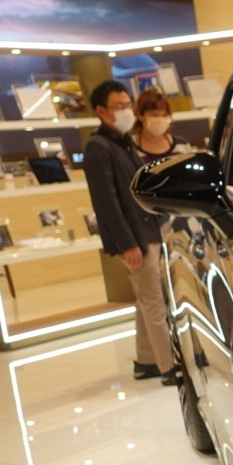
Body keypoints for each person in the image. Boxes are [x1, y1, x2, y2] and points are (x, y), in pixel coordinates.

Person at [83, 79, 177, 384]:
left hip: (146, 230)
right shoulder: (98, 148)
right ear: (101, 111)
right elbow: (106, 203)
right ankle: (169, 367)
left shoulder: (122, 143)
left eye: (128, 105)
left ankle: (147, 361)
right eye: (120, 106)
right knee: (155, 302)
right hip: (135, 238)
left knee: (146, 299)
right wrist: (128, 244)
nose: (126, 111)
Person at [127, 88, 190, 163]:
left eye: (164, 115)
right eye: (155, 115)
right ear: (140, 115)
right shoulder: (130, 148)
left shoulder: (182, 144)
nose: (160, 119)